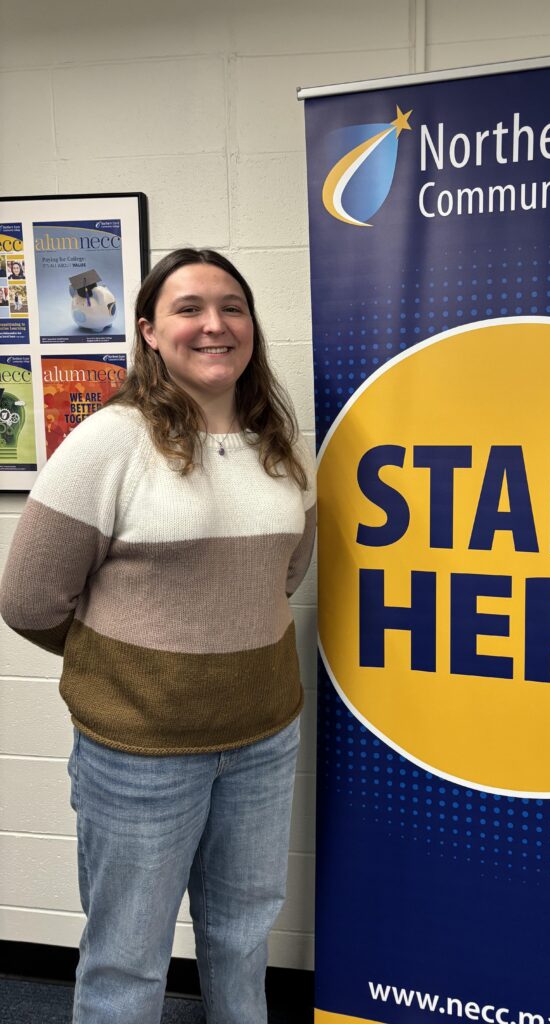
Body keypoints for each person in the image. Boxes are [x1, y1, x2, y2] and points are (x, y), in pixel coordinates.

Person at [0, 248, 316, 1024]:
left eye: (232, 307)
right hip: (139, 753)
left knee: (243, 936)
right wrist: (132, 669)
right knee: (128, 958)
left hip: (263, 739)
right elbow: (29, 598)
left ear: (251, 327)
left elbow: (285, 571)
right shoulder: (110, 442)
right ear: (148, 331)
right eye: (189, 308)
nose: (215, 325)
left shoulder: (282, 441)